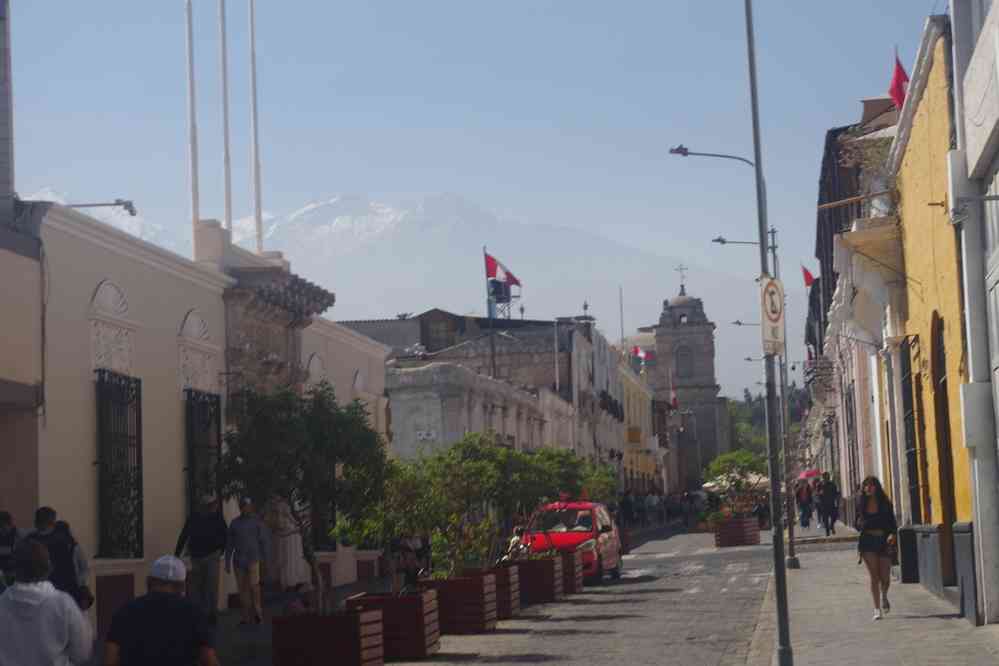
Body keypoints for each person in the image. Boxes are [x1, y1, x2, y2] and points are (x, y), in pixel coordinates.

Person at [105, 555, 219, 666]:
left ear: (148, 581)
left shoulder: (125, 610)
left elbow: (110, 659)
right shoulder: (195, 614)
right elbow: (209, 660)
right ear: (183, 586)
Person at [0, 539, 93, 666]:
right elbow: (82, 653)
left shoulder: (2, 603)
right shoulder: (62, 604)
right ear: (48, 568)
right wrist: (84, 613)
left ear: (14, 568)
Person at [175, 495, 228, 624]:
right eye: (212, 505)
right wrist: (177, 553)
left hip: (211, 555)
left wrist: (221, 550)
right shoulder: (194, 517)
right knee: (197, 586)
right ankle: (200, 614)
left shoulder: (217, 517)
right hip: (197, 556)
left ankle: (211, 613)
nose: (214, 507)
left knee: (211, 585)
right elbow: (184, 534)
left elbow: (225, 533)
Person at [855, 476, 898, 621]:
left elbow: (892, 523)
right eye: (866, 485)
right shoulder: (861, 504)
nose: (868, 488)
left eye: (871, 485)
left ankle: (884, 595)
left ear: (877, 487)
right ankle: (876, 609)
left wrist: (892, 535)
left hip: (883, 541)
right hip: (867, 542)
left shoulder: (885, 503)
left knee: (885, 577)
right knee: (874, 576)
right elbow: (857, 524)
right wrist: (860, 523)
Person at [225, 498, 270, 625]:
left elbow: (263, 542)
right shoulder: (234, 523)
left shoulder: (257, 522)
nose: (247, 508)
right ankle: (245, 616)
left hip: (253, 560)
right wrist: (227, 561)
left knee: (254, 587)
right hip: (238, 561)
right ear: (241, 508)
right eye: (244, 506)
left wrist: (265, 560)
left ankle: (258, 613)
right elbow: (230, 544)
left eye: (249, 506)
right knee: (242, 590)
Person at [28, 507, 86, 606]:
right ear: (52, 521)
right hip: (62, 591)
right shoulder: (66, 542)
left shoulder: (28, 541)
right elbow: (75, 569)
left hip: (35, 593)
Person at [0, 511, 25, 590]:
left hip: (13, 571)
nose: (2, 530)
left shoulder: (18, 534)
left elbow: (19, 551)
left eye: (3, 527)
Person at [818, 472, 840, 537]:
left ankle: (831, 525)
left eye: (828, 477)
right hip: (824, 504)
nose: (827, 478)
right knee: (825, 519)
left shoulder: (832, 484)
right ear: (823, 478)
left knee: (834, 516)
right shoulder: (820, 485)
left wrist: (837, 500)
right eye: (825, 477)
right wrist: (820, 493)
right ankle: (827, 532)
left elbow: (836, 493)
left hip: (831, 503)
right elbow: (817, 494)